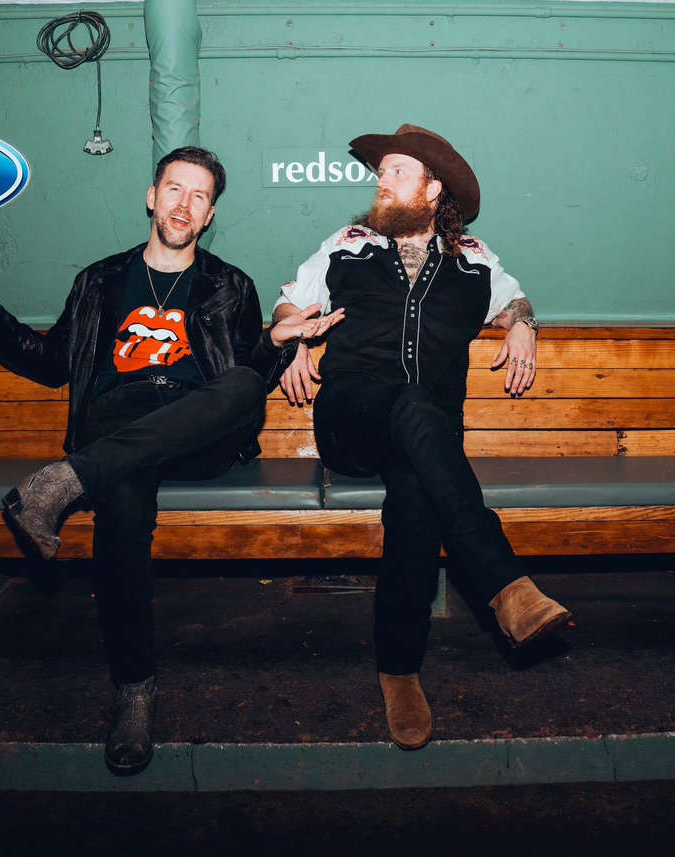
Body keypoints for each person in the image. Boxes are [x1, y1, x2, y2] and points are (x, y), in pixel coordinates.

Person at [0, 146, 341, 776]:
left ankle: (64, 482)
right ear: (152, 197)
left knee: (244, 385)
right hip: (119, 420)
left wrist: (277, 344)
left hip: (199, 426)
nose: (183, 204)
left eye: (199, 196)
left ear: (209, 214)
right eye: (175, 189)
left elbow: (246, 375)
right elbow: (54, 359)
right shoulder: (98, 280)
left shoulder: (231, 286)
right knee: (121, 495)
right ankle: (134, 694)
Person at [273, 124, 572, 751]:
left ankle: (400, 672)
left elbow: (516, 301)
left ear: (432, 190)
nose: (382, 180)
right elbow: (289, 302)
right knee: (413, 404)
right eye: (382, 172)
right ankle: (506, 584)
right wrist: (294, 334)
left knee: (416, 497)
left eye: (398, 171)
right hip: (352, 417)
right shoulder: (347, 244)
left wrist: (525, 327)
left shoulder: (474, 258)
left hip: (424, 441)